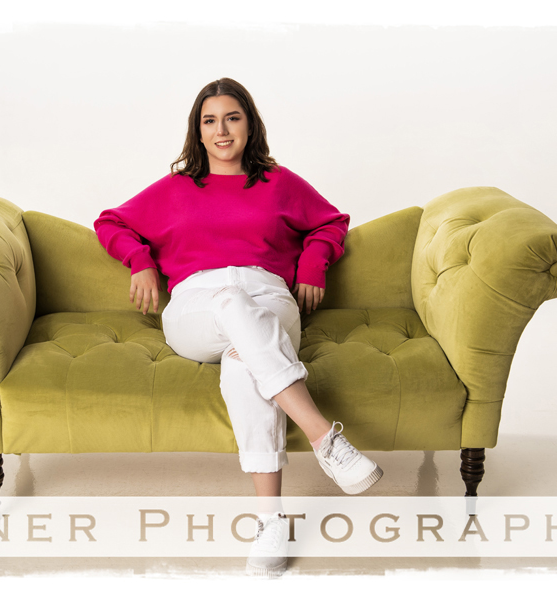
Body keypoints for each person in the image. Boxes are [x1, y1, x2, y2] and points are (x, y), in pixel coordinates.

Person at [94, 77, 383, 576]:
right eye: (210, 121)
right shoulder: (175, 189)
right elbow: (110, 222)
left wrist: (314, 262)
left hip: (269, 298)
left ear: (250, 125)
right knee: (229, 300)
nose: (222, 130)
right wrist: (139, 259)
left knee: (243, 368)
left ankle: (269, 523)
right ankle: (324, 438)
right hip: (195, 308)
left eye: (232, 118)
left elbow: (331, 222)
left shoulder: (280, 183)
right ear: (198, 132)